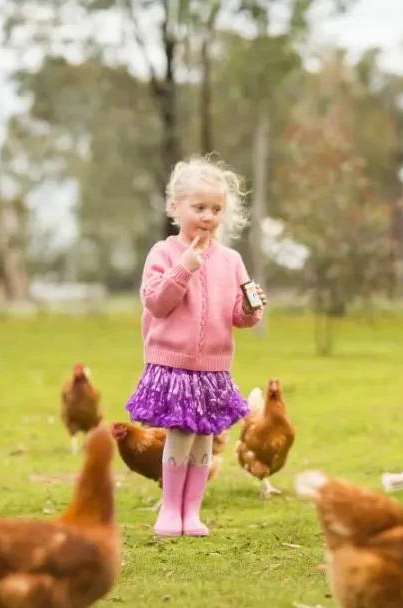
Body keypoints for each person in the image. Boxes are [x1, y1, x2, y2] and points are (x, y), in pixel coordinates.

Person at [125, 156, 266, 537]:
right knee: (182, 435)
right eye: (199, 207)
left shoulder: (232, 260)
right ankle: (169, 511)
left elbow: (239, 314)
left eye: (216, 209)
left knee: (205, 437)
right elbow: (156, 302)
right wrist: (185, 266)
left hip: (213, 368)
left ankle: (192, 512)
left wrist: (252, 309)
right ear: (175, 207)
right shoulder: (164, 253)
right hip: (174, 364)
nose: (207, 216)